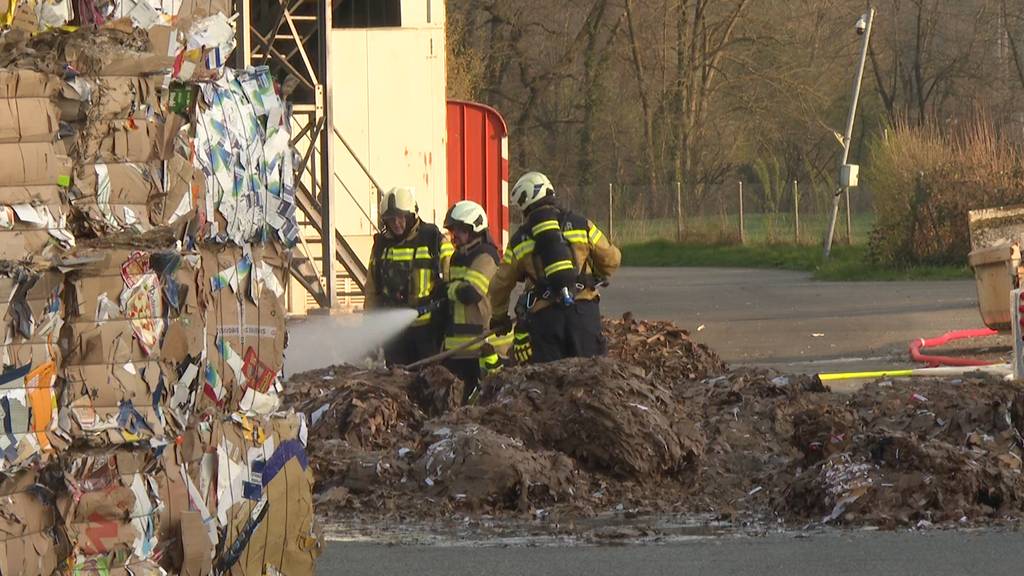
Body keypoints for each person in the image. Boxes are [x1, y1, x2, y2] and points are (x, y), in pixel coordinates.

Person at [488, 172, 621, 363]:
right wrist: (594, 276)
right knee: (593, 378)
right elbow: (612, 259)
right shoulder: (582, 225)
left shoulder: (519, 240)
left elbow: (500, 284)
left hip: (546, 320)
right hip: (583, 313)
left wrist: (499, 317)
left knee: (550, 382)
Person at [364, 187, 454, 366]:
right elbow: (372, 292)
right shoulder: (381, 247)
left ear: (411, 215)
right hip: (394, 334)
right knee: (397, 383)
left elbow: (451, 280)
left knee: (431, 382)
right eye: (391, 219)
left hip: (429, 333)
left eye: (401, 217)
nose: (396, 223)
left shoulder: (433, 240)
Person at [440, 200, 501, 404]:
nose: (454, 236)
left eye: (459, 230)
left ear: (474, 229)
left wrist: (448, 289)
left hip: (479, 344)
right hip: (456, 347)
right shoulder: (458, 256)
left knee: (481, 401)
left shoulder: (486, 255)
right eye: (452, 231)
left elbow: (471, 293)